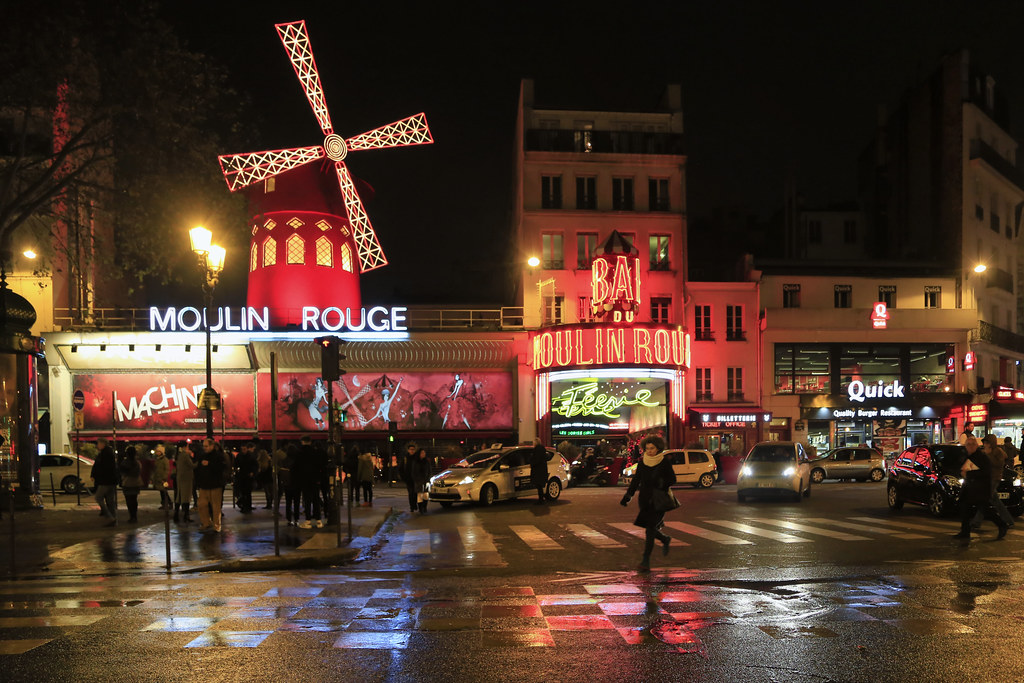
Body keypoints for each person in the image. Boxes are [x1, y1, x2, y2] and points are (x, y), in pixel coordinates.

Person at [620, 435, 677, 571]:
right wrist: (628, 496)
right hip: (645, 499)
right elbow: (636, 481)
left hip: (659, 499)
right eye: (647, 448)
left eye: (652, 448)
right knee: (649, 529)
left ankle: (645, 561)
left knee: (650, 529)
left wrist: (662, 483)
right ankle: (664, 539)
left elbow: (672, 479)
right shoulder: (642, 463)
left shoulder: (664, 462)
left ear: (658, 448)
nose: (650, 451)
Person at [195, 438, 227, 533]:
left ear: (212, 446)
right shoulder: (202, 456)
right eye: (204, 446)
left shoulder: (218, 456)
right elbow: (198, 469)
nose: (205, 448)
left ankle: (216, 525)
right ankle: (206, 522)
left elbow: (222, 468)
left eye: (206, 446)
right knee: (201, 504)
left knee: (215, 506)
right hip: (204, 485)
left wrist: (210, 464)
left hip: (215, 484)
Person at [296, 436, 323, 528]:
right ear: (310, 442)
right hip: (315, 478)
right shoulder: (315, 452)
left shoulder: (300, 453)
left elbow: (297, 467)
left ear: (302, 442)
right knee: (316, 499)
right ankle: (319, 520)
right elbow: (320, 466)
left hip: (304, 479)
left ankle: (308, 521)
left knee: (307, 499)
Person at [91, 437, 119, 526]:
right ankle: (113, 518)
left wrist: (96, 475)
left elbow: (101, 467)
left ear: (103, 444)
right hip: (111, 480)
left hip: (105, 480)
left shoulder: (104, 454)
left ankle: (109, 517)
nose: (97, 445)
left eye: (98, 443)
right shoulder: (108, 453)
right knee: (110, 500)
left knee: (98, 497)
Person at [118, 446, 143, 523]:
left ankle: (131, 516)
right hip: (136, 483)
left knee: (129, 500)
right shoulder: (137, 463)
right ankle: (134, 516)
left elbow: (122, 472)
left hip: (127, 483)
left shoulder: (125, 462)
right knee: (134, 500)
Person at [173, 444, 195, 524]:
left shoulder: (178, 455)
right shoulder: (185, 455)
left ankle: (176, 515)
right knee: (186, 497)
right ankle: (186, 516)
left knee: (179, 496)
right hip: (186, 478)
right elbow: (191, 465)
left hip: (180, 478)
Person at [407, 447, 432, 514]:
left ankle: (424, 507)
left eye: (424, 453)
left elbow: (429, 471)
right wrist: (416, 480)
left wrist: (428, 479)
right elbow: (413, 472)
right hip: (418, 481)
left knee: (426, 495)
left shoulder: (427, 462)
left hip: (425, 480)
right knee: (419, 495)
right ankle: (421, 508)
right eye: (422, 453)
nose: (423, 454)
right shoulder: (416, 462)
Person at [280, 444, 300, 526]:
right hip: (296, 483)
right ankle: (296, 518)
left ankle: (289, 518)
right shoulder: (298, 460)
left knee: (288, 502)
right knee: (296, 502)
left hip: (287, 483)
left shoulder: (285, 460)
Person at [529, 437, 549, 504]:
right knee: (540, 485)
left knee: (539, 486)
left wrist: (532, 464)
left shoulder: (537, 450)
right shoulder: (542, 449)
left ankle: (541, 499)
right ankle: (542, 498)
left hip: (538, 471)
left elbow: (536, 460)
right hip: (542, 470)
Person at [152, 444, 171, 510]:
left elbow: (167, 469)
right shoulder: (158, 459)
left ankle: (168, 503)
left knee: (164, 492)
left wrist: (164, 477)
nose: (157, 453)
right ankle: (165, 504)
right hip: (158, 477)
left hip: (162, 478)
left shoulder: (164, 460)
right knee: (162, 492)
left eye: (158, 451)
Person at [402, 442, 419, 513]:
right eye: (410, 449)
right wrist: (404, 477)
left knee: (415, 493)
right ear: (408, 450)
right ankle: (412, 506)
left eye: (413, 449)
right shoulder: (405, 458)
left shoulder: (417, 458)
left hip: (416, 478)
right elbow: (401, 468)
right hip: (408, 478)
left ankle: (414, 505)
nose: (412, 451)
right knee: (410, 493)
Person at [256, 444, 273, 509]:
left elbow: (259, 471)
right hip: (270, 478)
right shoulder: (269, 461)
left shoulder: (259, 462)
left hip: (264, 479)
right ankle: (270, 503)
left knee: (267, 492)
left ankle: (268, 503)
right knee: (271, 492)